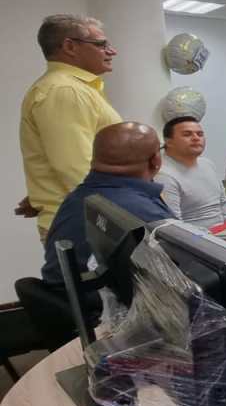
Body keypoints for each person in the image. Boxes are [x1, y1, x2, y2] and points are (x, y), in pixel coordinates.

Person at [19, 14, 122, 241]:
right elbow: (76, 169)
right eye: (101, 44)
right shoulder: (64, 90)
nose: (111, 51)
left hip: (89, 219)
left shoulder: (72, 88)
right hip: (87, 224)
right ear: (70, 47)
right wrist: (124, 216)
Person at [41, 122, 172, 285]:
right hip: (105, 298)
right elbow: (185, 274)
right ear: (155, 160)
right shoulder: (149, 215)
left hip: (64, 293)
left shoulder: (76, 198)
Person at [155, 116, 226, 229]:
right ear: (168, 142)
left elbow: (224, 204)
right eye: (187, 134)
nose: (196, 138)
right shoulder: (163, 176)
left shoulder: (207, 164)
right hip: (196, 237)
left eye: (200, 134)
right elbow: (175, 226)